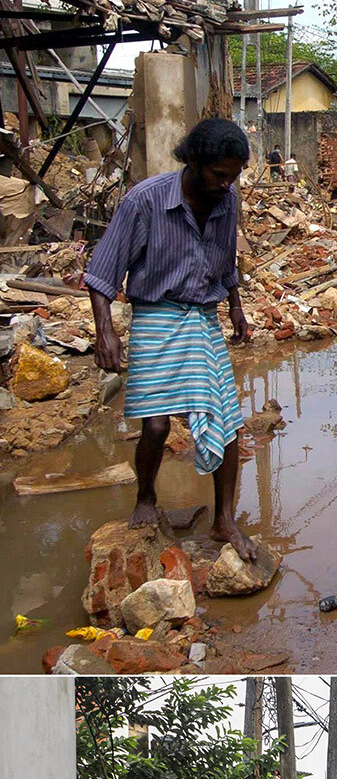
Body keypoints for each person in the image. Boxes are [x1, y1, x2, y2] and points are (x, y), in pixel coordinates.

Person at [85, 117, 256, 562]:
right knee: (157, 425)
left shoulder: (228, 198)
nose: (226, 184)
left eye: (234, 175)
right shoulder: (144, 201)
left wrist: (235, 306)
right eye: (220, 174)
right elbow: (102, 273)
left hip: (202, 315)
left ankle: (224, 520)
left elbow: (226, 256)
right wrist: (106, 332)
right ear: (195, 163)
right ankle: (145, 497)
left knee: (227, 420)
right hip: (156, 315)